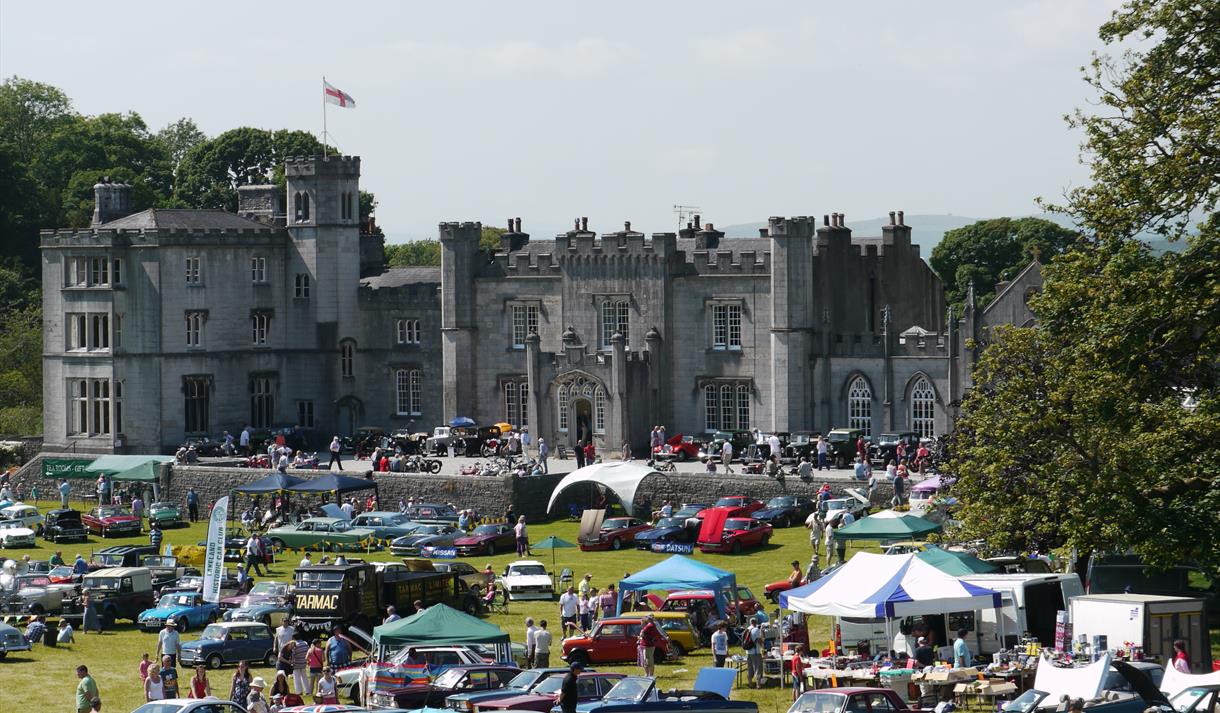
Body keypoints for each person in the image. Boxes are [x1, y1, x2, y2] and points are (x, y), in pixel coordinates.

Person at [744, 616, 764, 688]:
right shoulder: (756, 629)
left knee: (750, 667)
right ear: (756, 622)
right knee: (758, 668)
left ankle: (750, 683)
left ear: (750, 622)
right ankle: (758, 685)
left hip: (748, 652)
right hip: (755, 651)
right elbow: (759, 640)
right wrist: (763, 647)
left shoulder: (747, 629)